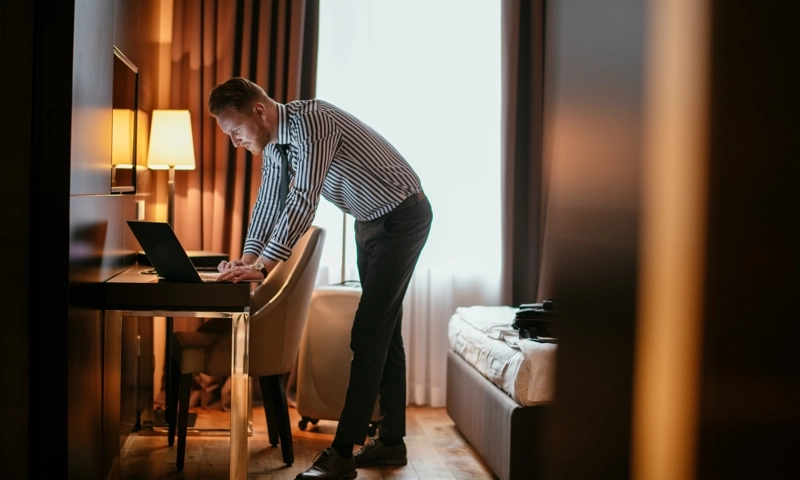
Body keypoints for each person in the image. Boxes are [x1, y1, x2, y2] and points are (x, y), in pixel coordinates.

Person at [209, 77, 432, 479]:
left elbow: (302, 197)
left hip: (403, 217)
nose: (235, 142)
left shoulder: (313, 122)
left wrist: (264, 266)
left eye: (236, 131)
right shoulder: (276, 145)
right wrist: (247, 260)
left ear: (259, 112)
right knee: (385, 332)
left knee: (367, 333)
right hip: (368, 221)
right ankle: (391, 442)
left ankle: (342, 455)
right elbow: (268, 201)